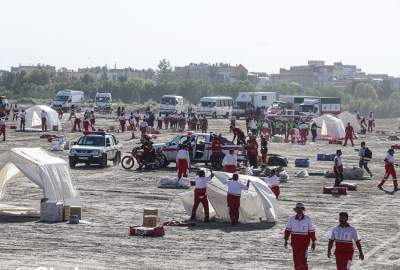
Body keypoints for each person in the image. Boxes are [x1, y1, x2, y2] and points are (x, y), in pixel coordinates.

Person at [284, 202, 316, 270]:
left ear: (303, 209)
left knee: (304, 260)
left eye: (300, 208)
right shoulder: (291, 219)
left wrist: (313, 241)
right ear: (296, 210)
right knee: (296, 260)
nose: (299, 210)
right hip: (295, 244)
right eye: (298, 208)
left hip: (305, 244)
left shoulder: (308, 219)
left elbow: (311, 231)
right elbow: (288, 230)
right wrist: (286, 240)